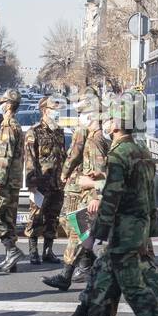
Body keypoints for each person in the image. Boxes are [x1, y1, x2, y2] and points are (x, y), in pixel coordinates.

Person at [40, 97, 158, 316]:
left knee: (136, 291)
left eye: (110, 118)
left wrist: (94, 235)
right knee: (102, 281)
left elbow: (112, 197)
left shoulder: (118, 154)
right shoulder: (140, 150)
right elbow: (145, 192)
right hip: (137, 229)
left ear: (118, 123)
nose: (106, 122)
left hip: (124, 233)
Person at [43, 90, 103, 290]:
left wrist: (96, 195)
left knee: (79, 231)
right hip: (83, 188)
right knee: (75, 228)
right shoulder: (92, 134)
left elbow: (98, 172)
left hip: (87, 191)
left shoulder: (94, 137)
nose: (80, 117)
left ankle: (67, 275)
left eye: (83, 112)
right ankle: (90, 263)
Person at [0, 89, 26, 273]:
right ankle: (10, 261)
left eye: (1, 102)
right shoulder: (15, 125)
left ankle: (12, 250)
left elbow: (5, 157)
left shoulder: (8, 126)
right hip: (14, 181)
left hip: (6, 182)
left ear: (8, 105)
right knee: (8, 220)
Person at [24, 96, 66, 265]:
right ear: (44, 110)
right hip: (41, 184)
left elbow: (62, 156)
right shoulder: (34, 132)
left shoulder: (59, 131)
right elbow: (30, 159)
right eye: (53, 108)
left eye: (57, 108)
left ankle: (48, 251)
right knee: (36, 217)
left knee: (52, 217)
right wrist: (32, 183)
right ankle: (33, 251)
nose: (56, 111)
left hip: (57, 182)